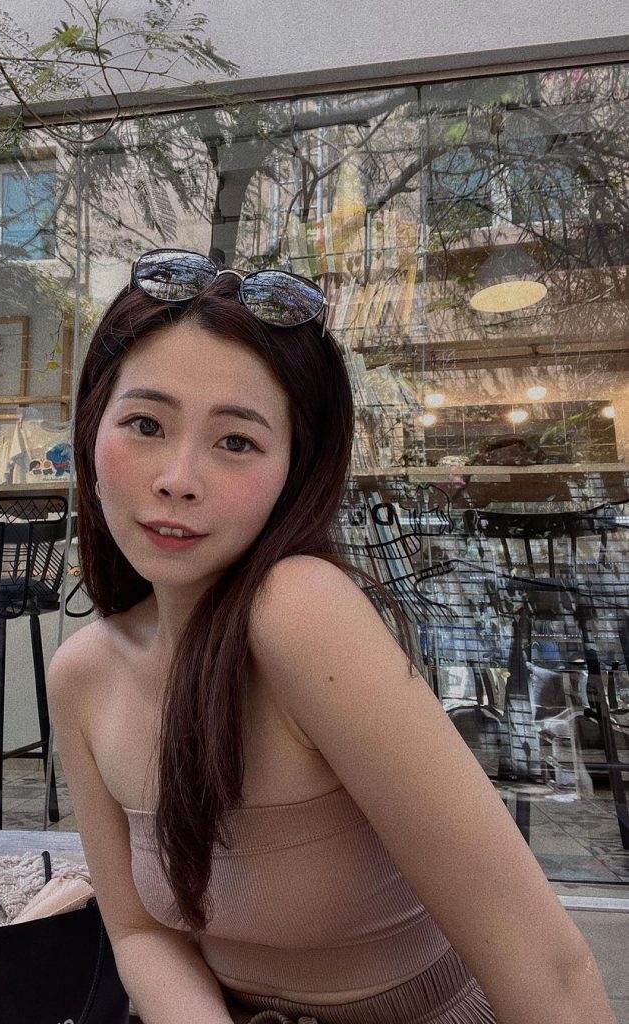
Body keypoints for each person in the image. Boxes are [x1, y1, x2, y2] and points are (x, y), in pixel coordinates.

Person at [48, 249, 617, 1024]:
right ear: (91, 430)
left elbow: (550, 973)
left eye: (236, 441)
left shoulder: (297, 610)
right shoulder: (82, 673)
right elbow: (140, 932)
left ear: (297, 467)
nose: (178, 477)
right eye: (145, 424)